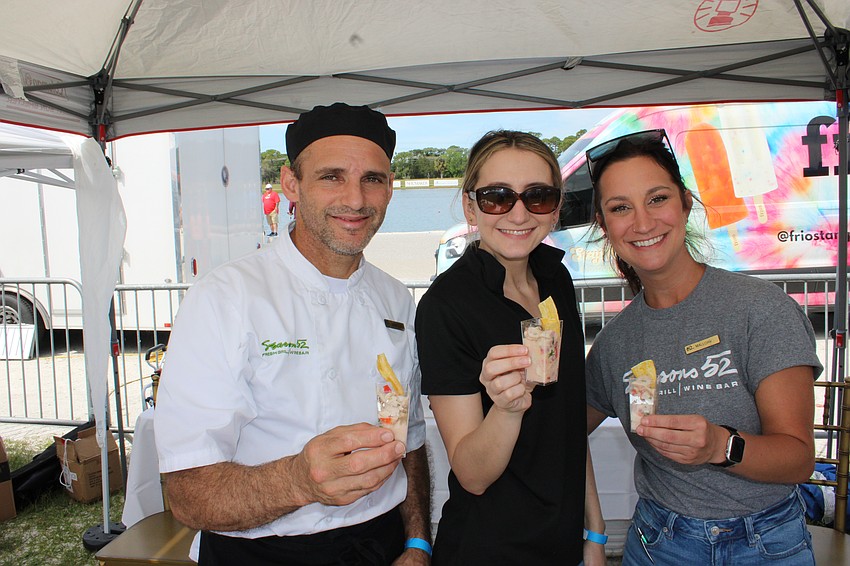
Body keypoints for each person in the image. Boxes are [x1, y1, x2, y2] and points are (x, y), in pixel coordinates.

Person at [154, 103, 431, 566]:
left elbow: (411, 440)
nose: (356, 199)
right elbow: (186, 493)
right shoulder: (225, 298)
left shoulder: (396, 300)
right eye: (331, 177)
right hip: (260, 550)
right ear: (290, 184)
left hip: (381, 544)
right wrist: (298, 481)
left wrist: (417, 542)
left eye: (373, 179)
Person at [583, 129, 822, 565]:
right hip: (660, 543)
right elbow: (558, 433)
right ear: (604, 225)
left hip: (765, 543)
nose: (642, 223)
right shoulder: (615, 344)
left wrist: (719, 446)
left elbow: (798, 458)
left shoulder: (759, 310)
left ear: (685, 202)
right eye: (621, 208)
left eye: (657, 199)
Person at [415, 130, 606, 565]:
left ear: (556, 207)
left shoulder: (556, 279)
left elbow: (570, 423)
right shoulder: (446, 306)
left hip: (564, 544)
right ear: (470, 206)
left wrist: (594, 531)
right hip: (491, 549)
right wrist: (506, 408)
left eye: (537, 196)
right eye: (497, 196)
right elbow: (472, 474)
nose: (518, 213)